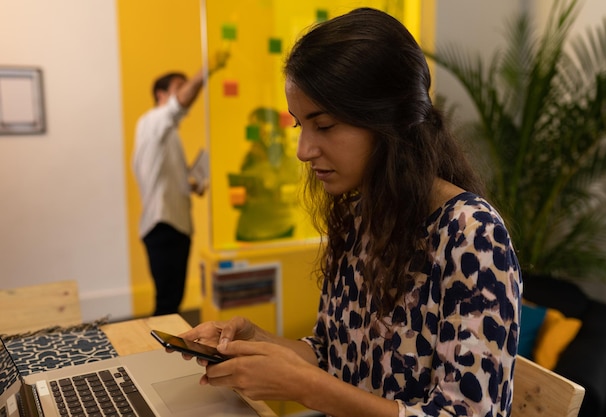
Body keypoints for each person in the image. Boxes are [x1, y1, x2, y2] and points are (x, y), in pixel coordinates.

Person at [172, 8, 522, 417]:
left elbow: (467, 412)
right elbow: (330, 355)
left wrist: (308, 388)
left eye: (324, 125)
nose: (304, 151)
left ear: (389, 121)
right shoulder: (360, 215)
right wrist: (257, 340)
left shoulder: (471, 234)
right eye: (300, 126)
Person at [132, 51, 228, 316]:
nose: (187, 93)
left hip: (175, 226)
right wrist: (205, 71)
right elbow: (180, 104)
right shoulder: (152, 121)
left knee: (172, 302)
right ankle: (157, 354)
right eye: (179, 88)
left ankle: (162, 353)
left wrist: (191, 184)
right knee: (167, 304)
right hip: (163, 226)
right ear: (161, 96)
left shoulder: (167, 134)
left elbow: (167, 179)